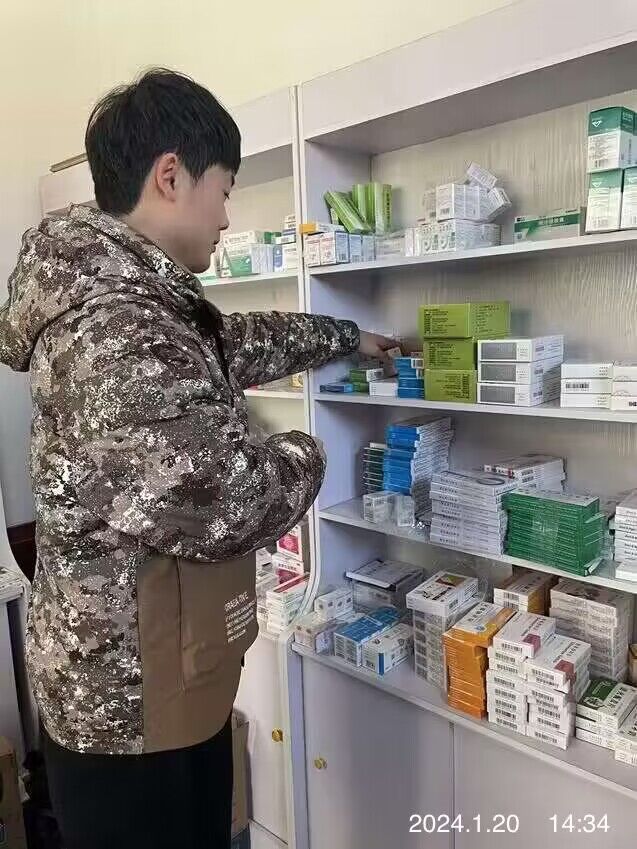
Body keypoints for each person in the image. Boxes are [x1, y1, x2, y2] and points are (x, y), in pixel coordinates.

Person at [0, 68, 394, 848]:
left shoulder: (136, 302)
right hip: (128, 715)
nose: (225, 214)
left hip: (150, 680)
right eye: (224, 188)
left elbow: (230, 343)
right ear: (171, 175)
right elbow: (230, 504)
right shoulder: (115, 328)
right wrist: (319, 447)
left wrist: (346, 338)